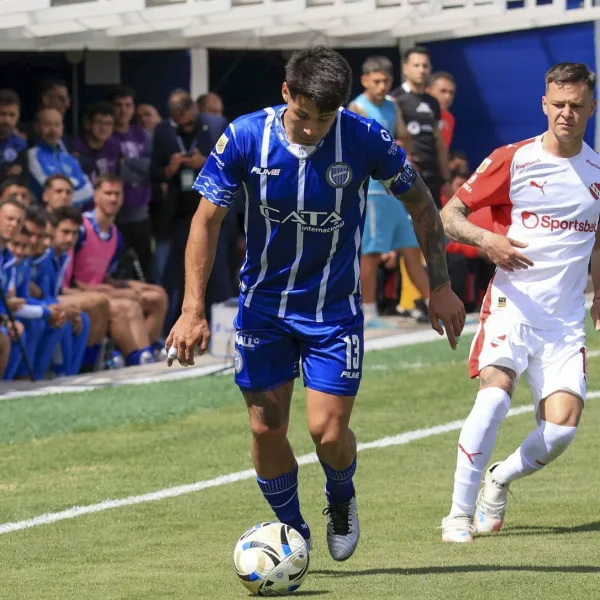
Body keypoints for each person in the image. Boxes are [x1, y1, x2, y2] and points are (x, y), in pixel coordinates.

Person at [166, 46, 465, 561]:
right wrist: (192, 309)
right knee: (266, 428)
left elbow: (421, 204)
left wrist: (439, 284)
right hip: (263, 309)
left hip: (333, 312)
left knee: (327, 433)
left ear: (340, 108)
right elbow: (205, 221)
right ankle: (292, 534)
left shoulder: (364, 136)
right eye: (303, 115)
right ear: (286, 93)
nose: (311, 129)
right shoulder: (244, 136)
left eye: (323, 120)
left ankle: (341, 497)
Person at [439, 62, 598, 543]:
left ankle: (499, 479)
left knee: (562, 430)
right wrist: (487, 240)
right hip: (512, 306)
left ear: (591, 108)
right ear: (544, 104)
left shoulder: (597, 173)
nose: (566, 113)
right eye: (558, 104)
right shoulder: (513, 159)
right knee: (494, 396)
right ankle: (457, 516)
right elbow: (449, 215)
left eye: (576, 105)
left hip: (564, 322)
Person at [348, 55, 430, 327]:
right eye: (377, 81)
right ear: (364, 81)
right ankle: (369, 313)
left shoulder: (393, 105)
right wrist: (390, 146)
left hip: (395, 190)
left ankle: (434, 305)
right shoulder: (356, 108)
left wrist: (395, 145)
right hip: (371, 192)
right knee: (371, 253)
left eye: (386, 81)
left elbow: (404, 137)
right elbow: (359, 149)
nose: (382, 86)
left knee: (411, 249)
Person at [150, 89, 232, 329]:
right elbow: (154, 172)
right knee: (176, 275)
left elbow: (233, 166)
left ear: (195, 110)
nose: (184, 127)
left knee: (216, 274)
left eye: (187, 122)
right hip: (180, 214)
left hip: (215, 212)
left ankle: (219, 330)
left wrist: (204, 162)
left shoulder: (216, 126)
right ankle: (174, 329)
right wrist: (169, 169)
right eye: (179, 123)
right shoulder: (164, 131)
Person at [71, 175, 167, 364]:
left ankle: (144, 350)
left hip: (102, 289)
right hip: (82, 293)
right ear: (96, 196)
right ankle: (138, 356)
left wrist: (127, 284)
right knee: (128, 305)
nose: (113, 199)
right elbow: (70, 277)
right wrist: (110, 291)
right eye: (108, 193)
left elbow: (103, 276)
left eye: (117, 194)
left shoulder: (116, 236)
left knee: (157, 296)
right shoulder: (80, 229)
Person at [390, 47, 451, 208]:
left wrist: (446, 179)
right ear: (405, 68)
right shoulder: (394, 99)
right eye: (416, 65)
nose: (421, 70)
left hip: (432, 176)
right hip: (407, 175)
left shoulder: (433, 102)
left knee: (434, 222)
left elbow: (439, 143)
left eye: (425, 65)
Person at [107, 85, 154, 283]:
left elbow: (154, 166)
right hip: (116, 216)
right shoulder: (107, 136)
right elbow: (115, 173)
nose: (123, 110)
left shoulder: (143, 135)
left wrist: (128, 163)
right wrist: (137, 169)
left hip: (142, 215)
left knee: (147, 272)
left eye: (127, 105)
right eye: (118, 105)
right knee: (117, 271)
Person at [24, 108, 93, 208]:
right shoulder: (32, 155)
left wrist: (60, 199)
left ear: (62, 128)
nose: (53, 130)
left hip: (71, 215)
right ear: (37, 127)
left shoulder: (68, 157)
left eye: (57, 125)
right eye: (47, 125)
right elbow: (43, 188)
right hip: (44, 214)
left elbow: (88, 191)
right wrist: (74, 184)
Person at [72, 102, 121, 183]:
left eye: (108, 124)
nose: (103, 128)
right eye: (99, 122)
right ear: (88, 124)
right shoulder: (73, 146)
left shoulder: (114, 147)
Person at [0, 89, 27, 181]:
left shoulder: (20, 144)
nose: (7, 120)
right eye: (2, 114)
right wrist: (5, 173)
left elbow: (23, 178)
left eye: (12, 115)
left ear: (18, 116)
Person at [427, 72, 457, 149]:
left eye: (451, 93)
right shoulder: (415, 114)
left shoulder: (449, 118)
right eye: (443, 91)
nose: (448, 97)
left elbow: (443, 149)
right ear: (428, 91)